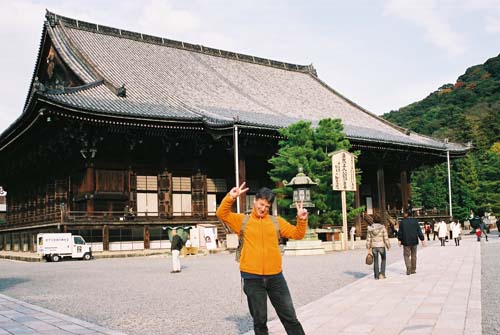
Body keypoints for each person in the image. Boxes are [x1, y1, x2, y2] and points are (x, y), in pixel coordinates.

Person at [216, 183, 307, 335]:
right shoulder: (242, 221)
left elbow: (297, 234)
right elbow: (221, 214)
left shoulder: (276, 222)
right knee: (260, 320)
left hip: (275, 276)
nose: (263, 208)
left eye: (267, 206)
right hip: (252, 277)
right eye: (261, 204)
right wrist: (230, 198)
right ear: (255, 201)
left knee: (289, 316)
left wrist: (301, 220)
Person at [397, 211, 425, 275]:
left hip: (406, 241)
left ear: (406, 214)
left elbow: (400, 232)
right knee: (414, 255)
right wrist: (422, 239)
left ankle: (408, 267)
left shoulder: (402, 222)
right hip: (414, 241)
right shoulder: (415, 221)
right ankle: (413, 269)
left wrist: (399, 240)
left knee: (406, 255)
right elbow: (419, 231)